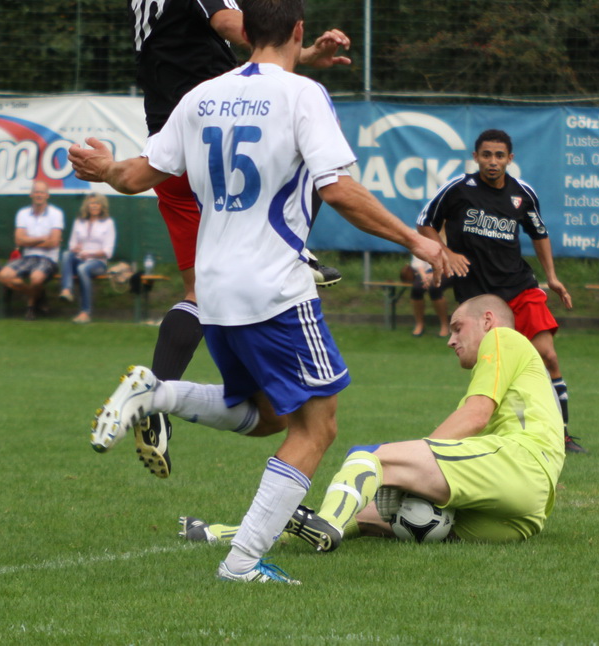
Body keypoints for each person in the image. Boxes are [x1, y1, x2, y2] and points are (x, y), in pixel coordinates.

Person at [68, 0, 447, 584]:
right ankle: (242, 562)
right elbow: (339, 189)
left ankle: (156, 394)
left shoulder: (201, 96)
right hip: (274, 287)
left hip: (213, 293)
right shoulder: (302, 94)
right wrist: (415, 240)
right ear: (298, 30)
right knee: (317, 427)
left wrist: (104, 168)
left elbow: (136, 176)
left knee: (268, 414)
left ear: (246, 31)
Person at [123, 0, 353, 478]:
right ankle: (295, 251)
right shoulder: (260, 81)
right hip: (222, 128)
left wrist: (299, 51)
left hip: (169, 141)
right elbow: (234, 24)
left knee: (196, 291)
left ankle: (159, 394)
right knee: (309, 161)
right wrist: (292, 46)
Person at [181, 295, 565, 547]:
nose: (451, 339)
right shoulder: (514, 370)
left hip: (521, 464)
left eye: (457, 327)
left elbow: (475, 414)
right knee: (368, 516)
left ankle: (328, 525)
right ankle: (226, 534)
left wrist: (411, 464)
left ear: (488, 321)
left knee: (369, 458)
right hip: (523, 517)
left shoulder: (503, 338)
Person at [416, 129, 584, 454]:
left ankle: (561, 436)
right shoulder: (457, 189)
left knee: (547, 356)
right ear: (475, 157)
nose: (492, 161)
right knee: (494, 367)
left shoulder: (522, 194)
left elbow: (539, 233)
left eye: (499, 155)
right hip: (477, 298)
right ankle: (500, 433)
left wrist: (552, 277)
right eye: (486, 155)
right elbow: (425, 223)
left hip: (519, 288)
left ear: (510, 158)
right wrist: (446, 253)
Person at [0, 180, 65, 321]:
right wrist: (42, 239)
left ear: (47, 195)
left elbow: (53, 242)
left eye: (42, 192)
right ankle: (39, 295)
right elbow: (19, 241)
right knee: (3, 275)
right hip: (28, 257)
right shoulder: (23, 213)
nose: (39, 195)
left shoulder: (56, 213)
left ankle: (31, 307)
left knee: (36, 278)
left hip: (48, 259)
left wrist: (29, 241)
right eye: (36, 192)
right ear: (31, 194)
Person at [59, 193, 116, 324]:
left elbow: (108, 252)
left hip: (98, 263)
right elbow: (71, 245)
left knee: (82, 268)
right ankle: (66, 290)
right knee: (67, 255)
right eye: (91, 203)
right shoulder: (79, 222)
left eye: (97, 203)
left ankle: (85, 312)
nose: (94, 206)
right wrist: (76, 248)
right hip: (79, 259)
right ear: (87, 206)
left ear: (102, 206)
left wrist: (89, 254)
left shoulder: (108, 223)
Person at [401, 254, 451, 337]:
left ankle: (444, 325)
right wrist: (424, 276)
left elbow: (450, 261)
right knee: (417, 288)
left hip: (447, 271)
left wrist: (435, 274)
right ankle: (419, 324)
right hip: (425, 271)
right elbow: (418, 261)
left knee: (434, 288)